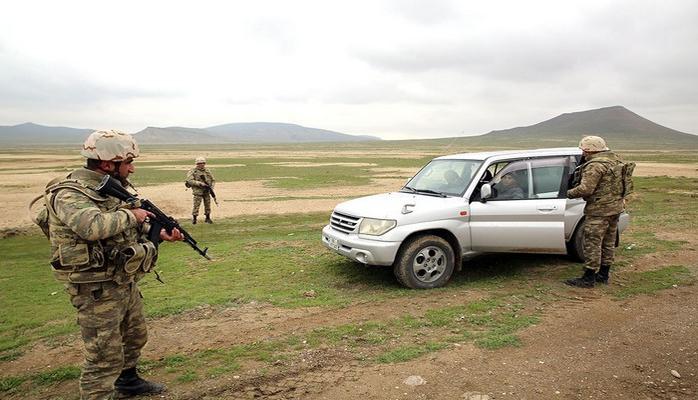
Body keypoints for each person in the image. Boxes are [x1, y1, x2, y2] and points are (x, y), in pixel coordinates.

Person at [44, 130, 183, 399]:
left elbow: (124, 232)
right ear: (108, 163)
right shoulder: (70, 193)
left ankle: (127, 382)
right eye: (128, 162)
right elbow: (91, 227)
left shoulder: (111, 187)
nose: (132, 168)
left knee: (134, 336)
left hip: (121, 277)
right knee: (103, 356)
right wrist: (133, 216)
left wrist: (157, 235)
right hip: (94, 286)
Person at [565, 135, 625, 288]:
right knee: (608, 242)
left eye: (584, 150)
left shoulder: (595, 165)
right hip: (615, 208)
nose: (583, 153)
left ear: (590, 150)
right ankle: (603, 274)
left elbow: (586, 189)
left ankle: (589, 277)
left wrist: (568, 193)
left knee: (592, 242)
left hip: (599, 211)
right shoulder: (616, 160)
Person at [185, 157, 215, 224]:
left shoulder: (207, 171)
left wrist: (211, 187)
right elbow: (190, 181)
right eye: (200, 163)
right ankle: (194, 219)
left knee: (207, 205)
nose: (201, 164)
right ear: (197, 164)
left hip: (207, 190)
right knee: (196, 205)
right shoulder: (193, 171)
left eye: (203, 163)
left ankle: (207, 218)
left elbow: (213, 180)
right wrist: (200, 183)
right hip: (198, 191)